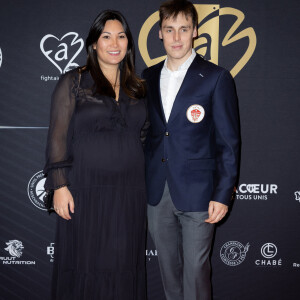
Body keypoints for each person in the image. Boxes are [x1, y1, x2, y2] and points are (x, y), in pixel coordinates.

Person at [43, 10, 148, 300]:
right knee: (85, 262)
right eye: (106, 36)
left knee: (125, 262)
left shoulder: (138, 87)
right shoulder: (73, 82)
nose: (114, 43)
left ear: (129, 43)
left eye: (121, 36)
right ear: (93, 43)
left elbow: (143, 135)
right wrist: (60, 186)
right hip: (85, 191)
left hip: (129, 193)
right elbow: (57, 137)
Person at [142, 1, 240, 299]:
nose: (176, 37)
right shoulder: (146, 77)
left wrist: (222, 194)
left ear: (195, 31)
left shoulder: (215, 77)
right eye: (169, 30)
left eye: (183, 29)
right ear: (159, 33)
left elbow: (228, 141)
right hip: (157, 191)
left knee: (196, 272)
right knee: (168, 270)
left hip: (199, 192)